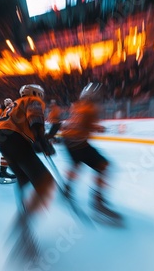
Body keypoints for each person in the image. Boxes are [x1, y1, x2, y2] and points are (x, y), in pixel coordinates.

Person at [0, 84, 56, 261]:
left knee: (24, 179)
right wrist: (40, 139)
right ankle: (24, 222)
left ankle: (24, 222)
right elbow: (35, 117)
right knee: (45, 182)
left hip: (4, 140)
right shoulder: (33, 100)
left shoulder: (14, 104)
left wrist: (37, 141)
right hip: (15, 139)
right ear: (36, 93)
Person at [61, 82, 123, 225]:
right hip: (78, 142)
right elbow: (87, 125)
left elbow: (77, 123)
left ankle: (67, 188)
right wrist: (98, 128)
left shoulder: (77, 105)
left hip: (68, 141)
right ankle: (98, 201)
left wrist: (94, 127)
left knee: (76, 164)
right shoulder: (91, 108)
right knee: (103, 166)